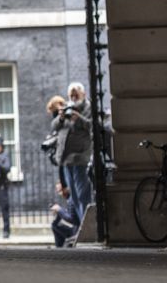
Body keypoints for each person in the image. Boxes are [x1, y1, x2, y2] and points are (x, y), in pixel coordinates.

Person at [53, 82, 93, 227]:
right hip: (66, 159)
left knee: (83, 195)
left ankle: (87, 227)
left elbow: (92, 125)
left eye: (76, 95)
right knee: (74, 196)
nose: (74, 98)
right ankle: (82, 227)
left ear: (83, 94)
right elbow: (54, 126)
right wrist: (61, 117)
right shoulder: (67, 108)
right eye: (71, 95)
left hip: (80, 157)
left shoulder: (88, 108)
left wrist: (79, 118)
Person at [49, 181, 78, 248]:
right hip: (74, 229)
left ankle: (60, 247)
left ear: (67, 188)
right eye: (59, 191)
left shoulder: (71, 199)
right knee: (54, 225)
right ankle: (59, 247)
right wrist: (59, 211)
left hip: (76, 231)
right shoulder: (69, 199)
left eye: (62, 190)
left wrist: (59, 210)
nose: (61, 193)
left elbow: (72, 219)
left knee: (54, 225)